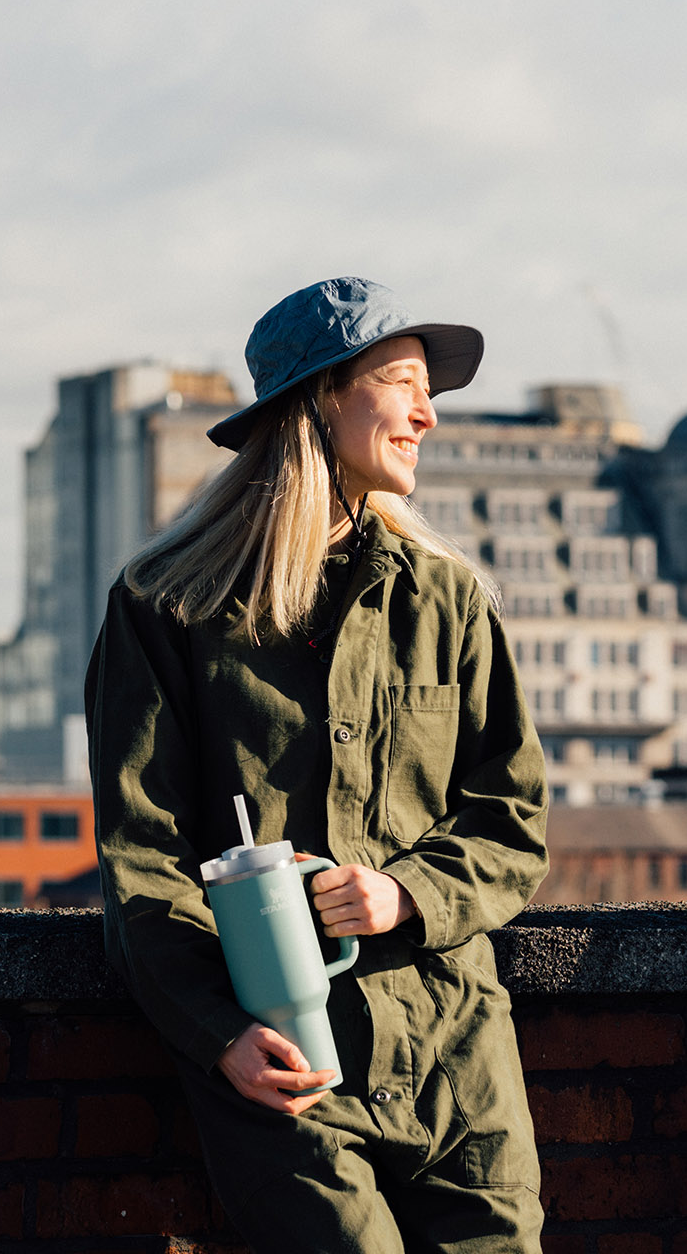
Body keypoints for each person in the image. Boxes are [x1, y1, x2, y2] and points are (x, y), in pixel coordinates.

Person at [86, 277, 549, 1253]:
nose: (428, 413)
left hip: (457, 1071)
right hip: (287, 1075)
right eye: (402, 382)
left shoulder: (450, 602)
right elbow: (142, 860)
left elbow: (513, 820)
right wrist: (218, 1034)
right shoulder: (165, 611)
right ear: (323, 399)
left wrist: (406, 894)